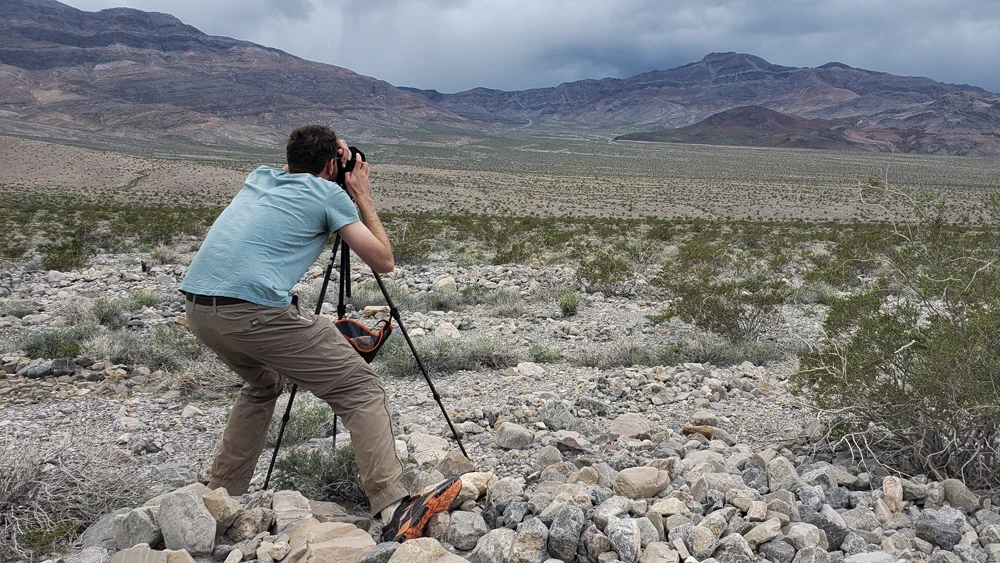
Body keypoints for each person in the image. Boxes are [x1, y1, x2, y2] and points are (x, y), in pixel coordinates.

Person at [179, 124, 460, 542]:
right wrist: (360, 192)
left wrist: (325, 160)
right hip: (253, 313)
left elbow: (300, 168)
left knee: (262, 383)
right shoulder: (329, 195)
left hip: (198, 307)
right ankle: (393, 506)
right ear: (333, 165)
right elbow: (384, 261)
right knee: (362, 390)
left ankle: (221, 496)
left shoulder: (260, 176)